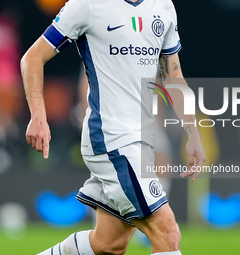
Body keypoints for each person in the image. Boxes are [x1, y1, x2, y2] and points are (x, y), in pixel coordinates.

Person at [21, 0, 206, 254]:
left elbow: (174, 76)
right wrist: (38, 116)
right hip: (111, 139)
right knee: (167, 232)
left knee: (109, 244)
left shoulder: (163, 7)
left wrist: (193, 132)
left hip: (141, 141)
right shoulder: (87, 5)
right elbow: (32, 57)